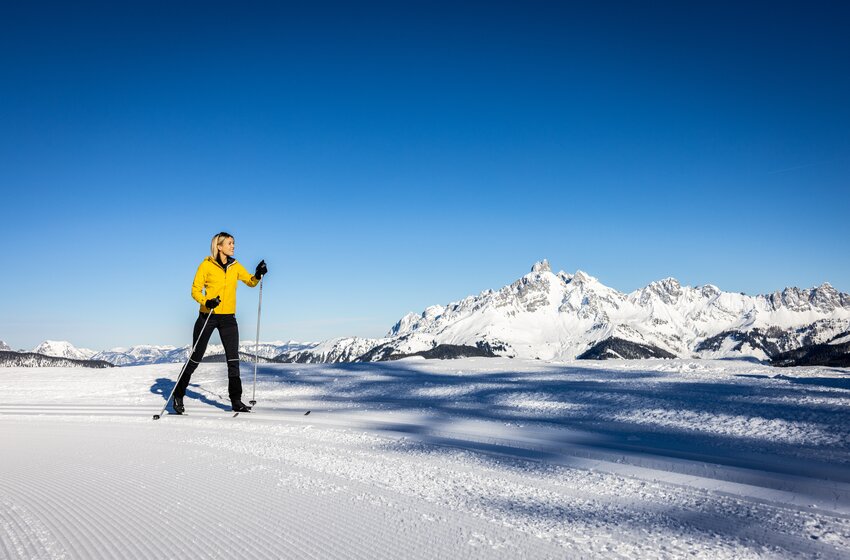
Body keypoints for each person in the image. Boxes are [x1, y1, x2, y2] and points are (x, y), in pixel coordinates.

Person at [172, 232, 268, 414]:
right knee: (195, 358)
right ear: (219, 246)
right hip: (208, 316)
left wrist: (257, 274)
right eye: (230, 243)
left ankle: (236, 400)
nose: (233, 246)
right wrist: (206, 301)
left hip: (228, 318)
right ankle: (178, 394)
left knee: (233, 360)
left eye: (233, 243)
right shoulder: (206, 265)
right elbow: (195, 290)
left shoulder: (235, 265)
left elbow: (250, 282)